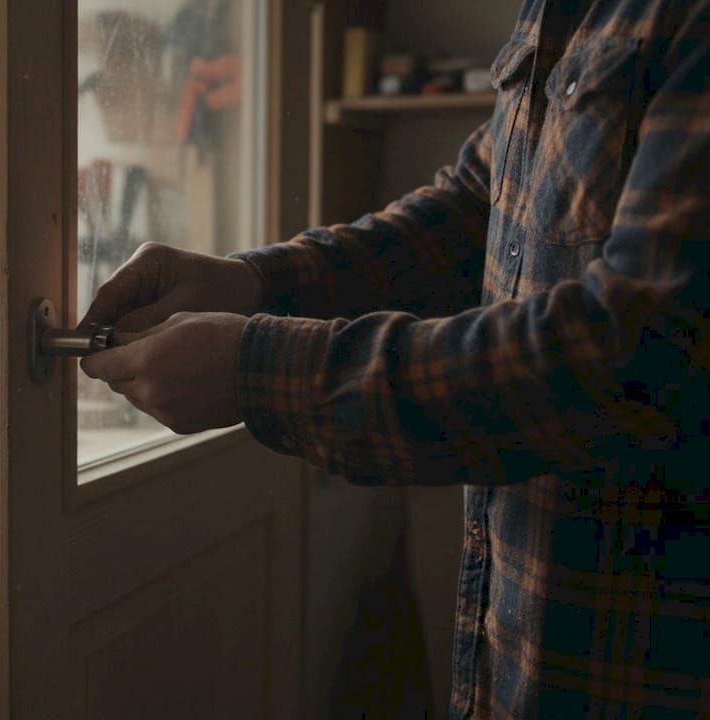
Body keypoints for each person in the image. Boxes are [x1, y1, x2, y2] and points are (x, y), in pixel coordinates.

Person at [80, 0, 710, 717]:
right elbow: (475, 207)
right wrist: (256, 281)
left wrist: (258, 369)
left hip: (650, 672)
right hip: (519, 657)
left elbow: (632, 350)